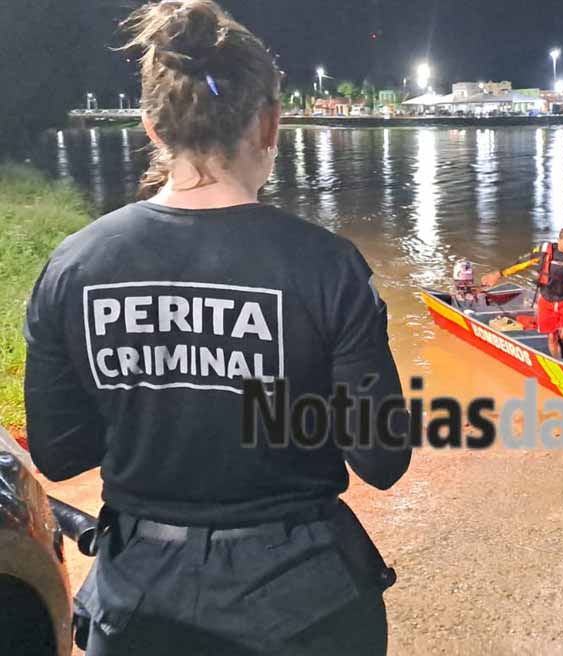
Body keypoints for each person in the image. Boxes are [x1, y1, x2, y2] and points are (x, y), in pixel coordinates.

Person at [23, 2, 410, 654]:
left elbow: (60, 455)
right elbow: (381, 457)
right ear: (268, 124)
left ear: (153, 128)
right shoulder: (328, 267)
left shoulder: (74, 267)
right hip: (306, 606)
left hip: (138, 603)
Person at [481, 227, 563, 357]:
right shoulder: (545, 252)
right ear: (559, 240)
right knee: (552, 337)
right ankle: (558, 360)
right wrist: (499, 273)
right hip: (547, 301)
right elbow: (521, 263)